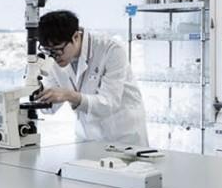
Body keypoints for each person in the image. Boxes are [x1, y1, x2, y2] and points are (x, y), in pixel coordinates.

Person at [36, 10, 148, 146]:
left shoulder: (111, 50)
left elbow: (109, 103)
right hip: (86, 136)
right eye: (48, 51)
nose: (54, 56)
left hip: (122, 135)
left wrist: (70, 96)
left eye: (58, 50)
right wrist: (38, 92)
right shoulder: (53, 57)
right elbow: (49, 108)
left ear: (75, 36)